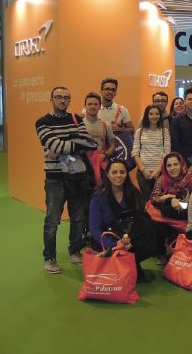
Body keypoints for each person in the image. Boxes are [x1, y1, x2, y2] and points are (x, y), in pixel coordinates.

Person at [36, 86, 98, 273]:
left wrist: (61, 145)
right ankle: (50, 258)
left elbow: (89, 143)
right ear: (51, 99)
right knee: (52, 220)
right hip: (54, 178)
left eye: (66, 97)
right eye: (58, 97)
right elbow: (52, 143)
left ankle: (75, 251)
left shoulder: (76, 118)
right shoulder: (42, 122)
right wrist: (73, 141)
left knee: (78, 217)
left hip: (77, 176)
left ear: (70, 100)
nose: (62, 100)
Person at [88, 159, 157, 282]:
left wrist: (129, 241)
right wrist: (115, 245)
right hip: (108, 238)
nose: (119, 175)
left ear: (126, 174)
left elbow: (140, 218)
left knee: (152, 230)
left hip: (129, 237)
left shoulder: (134, 193)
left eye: (122, 172)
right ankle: (122, 265)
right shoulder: (98, 197)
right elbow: (94, 228)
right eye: (114, 172)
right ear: (107, 174)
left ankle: (130, 262)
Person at [151, 151, 192, 261]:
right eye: (169, 165)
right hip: (165, 218)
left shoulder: (191, 181)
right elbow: (154, 198)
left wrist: (177, 201)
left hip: (185, 217)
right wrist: (169, 198)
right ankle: (161, 254)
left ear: (181, 165)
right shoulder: (162, 179)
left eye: (176, 164)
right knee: (156, 225)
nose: (172, 168)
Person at [132, 104, 171, 200]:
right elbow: (135, 153)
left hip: (160, 172)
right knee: (146, 200)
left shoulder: (164, 131)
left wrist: (158, 170)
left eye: (157, 114)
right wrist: (143, 170)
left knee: (159, 200)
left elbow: (167, 153)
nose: (154, 116)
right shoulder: (139, 131)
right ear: (147, 115)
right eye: (151, 114)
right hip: (143, 173)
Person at [82, 92, 115, 168]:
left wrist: (105, 155)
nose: (93, 106)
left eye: (96, 104)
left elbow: (112, 146)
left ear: (100, 106)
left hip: (101, 163)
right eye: (90, 104)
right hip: (83, 164)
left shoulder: (106, 126)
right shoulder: (79, 125)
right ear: (85, 106)